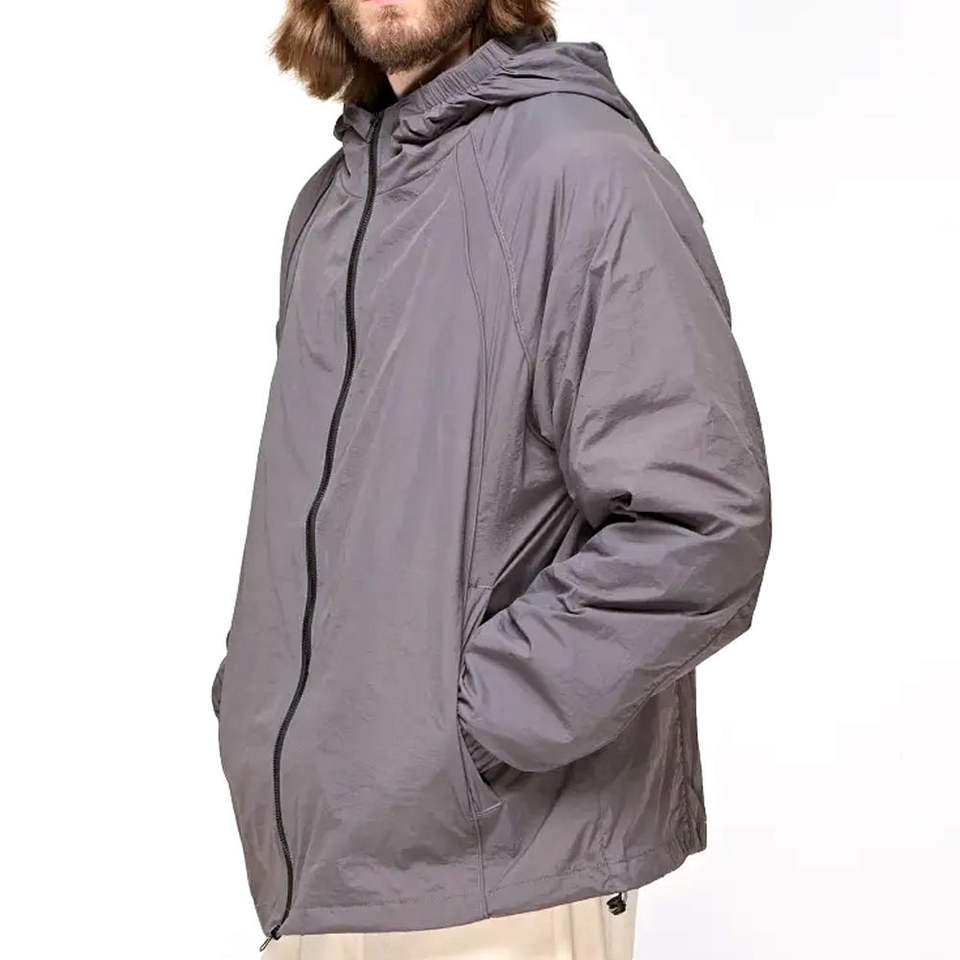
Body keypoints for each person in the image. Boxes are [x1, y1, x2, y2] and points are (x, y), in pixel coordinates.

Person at [211, 1, 773, 957]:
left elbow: (700, 523)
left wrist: (465, 724)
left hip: (502, 877)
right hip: (323, 876)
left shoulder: (578, 169)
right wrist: (257, 701)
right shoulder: (330, 207)